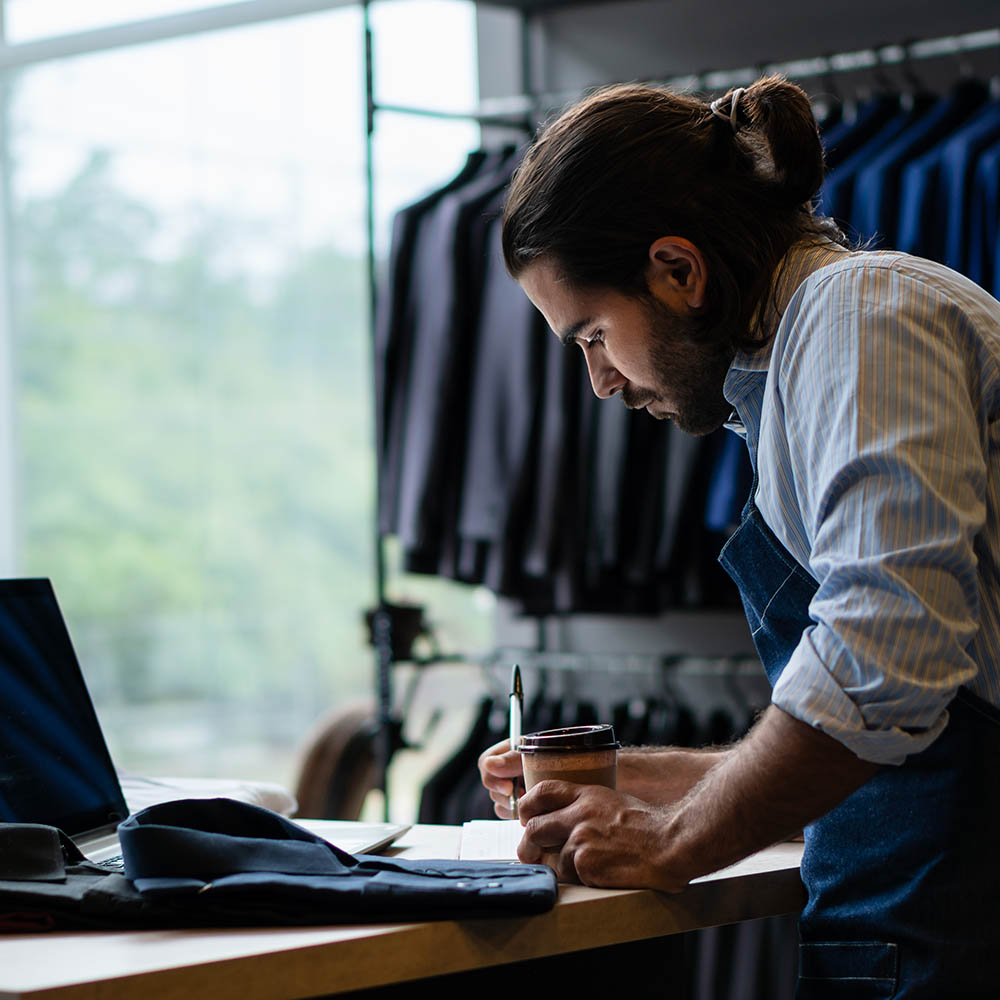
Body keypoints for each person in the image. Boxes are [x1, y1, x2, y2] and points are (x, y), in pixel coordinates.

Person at [477, 75, 1000, 998]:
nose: (599, 381)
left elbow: (887, 653)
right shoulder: (797, 368)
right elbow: (900, 735)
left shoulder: (858, 318)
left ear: (678, 270)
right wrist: (658, 779)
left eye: (593, 335)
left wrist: (679, 838)